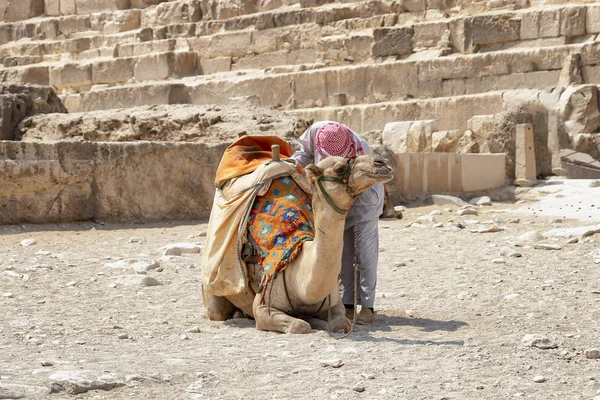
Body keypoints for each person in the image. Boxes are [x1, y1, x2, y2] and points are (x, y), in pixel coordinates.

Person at [292, 121, 384, 324]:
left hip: (365, 200)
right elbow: (303, 154)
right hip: (335, 202)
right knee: (342, 252)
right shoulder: (316, 132)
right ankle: (348, 304)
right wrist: (290, 164)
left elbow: (363, 176)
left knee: (365, 253)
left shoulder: (360, 147)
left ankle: (368, 306)